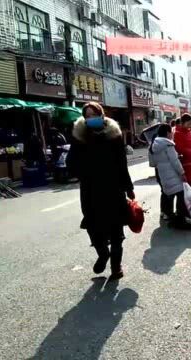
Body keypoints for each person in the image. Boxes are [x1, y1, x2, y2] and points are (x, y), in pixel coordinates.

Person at [67, 102, 134, 281]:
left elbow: (122, 164)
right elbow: (70, 162)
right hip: (90, 191)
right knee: (94, 228)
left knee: (116, 232)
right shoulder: (79, 136)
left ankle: (116, 267)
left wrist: (129, 188)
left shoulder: (114, 135)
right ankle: (103, 254)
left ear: (102, 115)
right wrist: (82, 172)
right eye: (87, 115)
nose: (91, 118)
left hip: (113, 189)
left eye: (94, 114)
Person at [148, 124, 191, 226]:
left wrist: (162, 163)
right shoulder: (168, 144)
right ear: (167, 133)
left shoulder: (153, 145)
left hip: (162, 174)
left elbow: (152, 163)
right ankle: (180, 217)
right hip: (173, 174)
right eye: (171, 132)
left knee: (168, 194)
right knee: (181, 194)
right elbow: (175, 161)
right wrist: (182, 173)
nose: (172, 134)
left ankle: (169, 215)